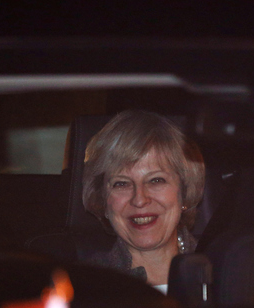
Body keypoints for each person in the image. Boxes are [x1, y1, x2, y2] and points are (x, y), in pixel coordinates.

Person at [82, 110, 205, 293]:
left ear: (184, 192)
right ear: (104, 202)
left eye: (156, 180)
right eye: (121, 183)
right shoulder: (85, 286)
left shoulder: (226, 270)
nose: (139, 200)